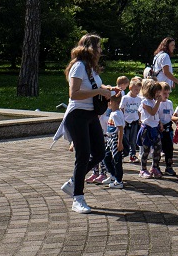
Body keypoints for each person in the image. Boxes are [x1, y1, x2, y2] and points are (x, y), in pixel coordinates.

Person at [56, 33, 114, 215]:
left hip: (90, 115)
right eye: (99, 47)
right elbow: (74, 94)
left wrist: (108, 90)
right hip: (77, 115)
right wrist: (98, 90)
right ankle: (77, 199)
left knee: (98, 152)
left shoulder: (91, 68)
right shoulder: (79, 66)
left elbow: (94, 88)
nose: (101, 50)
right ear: (91, 48)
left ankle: (74, 181)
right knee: (83, 156)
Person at [137, 79, 163, 178]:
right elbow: (152, 112)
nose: (159, 94)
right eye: (157, 91)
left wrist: (159, 122)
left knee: (158, 148)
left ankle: (154, 167)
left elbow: (156, 114)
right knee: (146, 150)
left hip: (154, 128)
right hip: (147, 129)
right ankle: (143, 169)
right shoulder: (145, 102)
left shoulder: (154, 101)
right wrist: (158, 102)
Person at [101, 93, 126, 188]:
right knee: (106, 157)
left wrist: (120, 142)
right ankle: (112, 175)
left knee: (117, 160)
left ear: (113, 102)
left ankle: (119, 181)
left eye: (108, 101)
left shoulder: (116, 114)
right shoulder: (113, 113)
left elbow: (120, 128)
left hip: (115, 138)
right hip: (110, 138)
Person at [120, 77, 142, 162]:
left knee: (133, 139)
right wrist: (122, 120)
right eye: (136, 89)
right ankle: (122, 153)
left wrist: (140, 119)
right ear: (130, 88)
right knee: (125, 139)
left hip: (134, 121)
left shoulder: (139, 99)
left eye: (139, 90)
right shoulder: (125, 98)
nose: (137, 92)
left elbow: (139, 110)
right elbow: (121, 108)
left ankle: (132, 155)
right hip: (126, 121)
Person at [158, 82, 176, 177]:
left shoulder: (169, 103)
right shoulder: (157, 103)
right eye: (164, 93)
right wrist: (160, 123)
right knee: (158, 148)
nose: (166, 95)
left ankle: (169, 166)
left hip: (168, 127)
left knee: (169, 148)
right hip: (159, 128)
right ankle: (155, 166)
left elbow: (172, 115)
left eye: (168, 93)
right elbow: (156, 115)